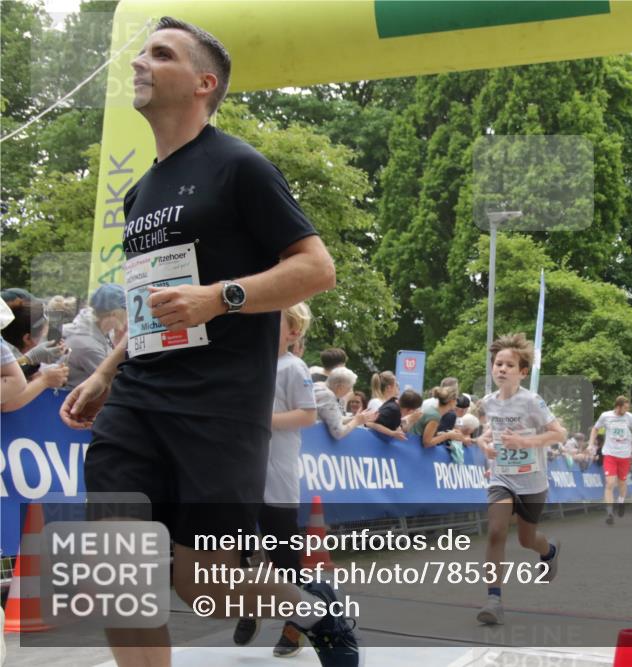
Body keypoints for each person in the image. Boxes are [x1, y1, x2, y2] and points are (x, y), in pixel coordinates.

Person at [58, 17, 354, 667]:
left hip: (218, 409)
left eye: (159, 54)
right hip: (138, 400)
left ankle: (313, 606)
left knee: (206, 587)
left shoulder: (238, 166)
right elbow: (151, 304)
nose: (140, 63)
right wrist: (108, 370)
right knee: (120, 576)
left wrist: (221, 296)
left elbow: (317, 268)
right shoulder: (140, 192)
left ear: (202, 83)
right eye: (140, 53)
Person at [233, 302, 316, 657]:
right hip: (241, 472)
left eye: (273, 322)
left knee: (284, 555)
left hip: (277, 475)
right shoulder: (247, 366)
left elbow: (308, 415)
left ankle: (295, 625)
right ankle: (249, 607)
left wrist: (262, 420)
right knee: (235, 548)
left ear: (293, 332)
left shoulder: (294, 368)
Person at [475, 333, 565, 625]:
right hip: (502, 477)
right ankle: (494, 599)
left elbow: (559, 434)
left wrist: (526, 444)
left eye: (509, 365)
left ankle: (548, 550)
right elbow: (486, 434)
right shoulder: (488, 403)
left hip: (532, 481)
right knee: (497, 530)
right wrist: (485, 443)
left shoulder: (532, 402)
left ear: (522, 372)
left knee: (527, 539)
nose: (501, 369)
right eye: (498, 363)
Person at [589, 395, 632, 525]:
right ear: (618, 406)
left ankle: (621, 501)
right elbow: (595, 429)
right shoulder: (606, 416)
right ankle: (609, 513)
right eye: (625, 407)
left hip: (624, 456)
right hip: (610, 454)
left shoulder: (629, 417)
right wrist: (591, 443)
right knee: (609, 483)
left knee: (622, 483)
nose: (627, 409)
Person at [62, 284, 127, 390]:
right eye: (126, 311)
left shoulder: (93, 331)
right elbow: (116, 382)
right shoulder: (88, 345)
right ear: (114, 314)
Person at [316, 367, 374, 439]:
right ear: (340, 387)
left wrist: (356, 418)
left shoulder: (319, 386)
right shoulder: (328, 396)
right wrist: (356, 421)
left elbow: (335, 418)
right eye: (349, 388)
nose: (349, 392)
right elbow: (338, 433)